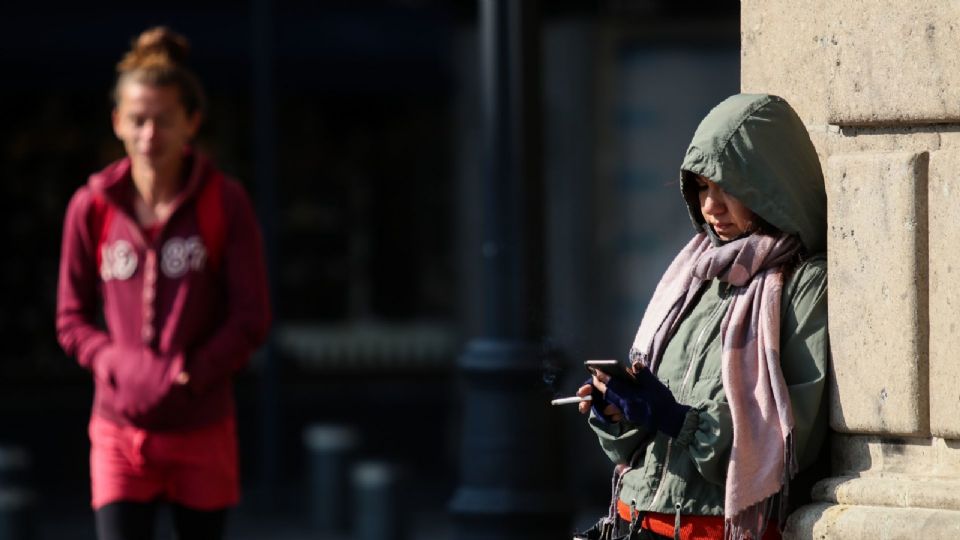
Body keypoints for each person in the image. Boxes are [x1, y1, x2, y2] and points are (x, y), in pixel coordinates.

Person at [575, 94, 829, 540]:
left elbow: (790, 442)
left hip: (713, 529)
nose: (710, 206)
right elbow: (642, 444)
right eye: (701, 188)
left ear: (768, 184)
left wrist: (679, 419)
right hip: (633, 522)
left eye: (727, 187)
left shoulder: (803, 284)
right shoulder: (695, 273)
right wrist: (620, 412)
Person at [56, 27, 270, 540]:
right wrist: (119, 365)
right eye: (138, 120)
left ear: (191, 123)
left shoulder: (225, 202)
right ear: (118, 123)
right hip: (118, 432)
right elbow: (71, 318)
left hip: (202, 429)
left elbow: (251, 316)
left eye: (164, 120)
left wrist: (193, 373)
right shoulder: (91, 207)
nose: (150, 135)